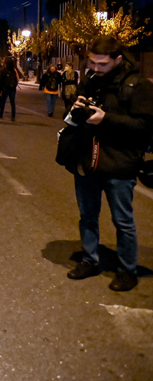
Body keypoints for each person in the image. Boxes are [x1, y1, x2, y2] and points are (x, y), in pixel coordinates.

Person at [65, 37, 153, 292]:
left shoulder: (137, 85)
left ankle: (127, 270)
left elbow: (145, 126)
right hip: (88, 162)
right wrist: (76, 108)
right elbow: (74, 115)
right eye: (92, 62)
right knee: (87, 216)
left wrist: (106, 119)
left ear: (117, 59)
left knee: (123, 222)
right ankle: (90, 260)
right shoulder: (91, 80)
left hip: (120, 164)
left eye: (102, 64)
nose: (95, 68)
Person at [0, 57, 21, 121]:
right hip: (12, 89)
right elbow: (16, 80)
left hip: (5, 88)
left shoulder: (4, 70)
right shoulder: (14, 71)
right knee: (12, 102)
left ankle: (1, 114)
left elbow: (1, 79)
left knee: (3, 101)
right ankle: (13, 116)